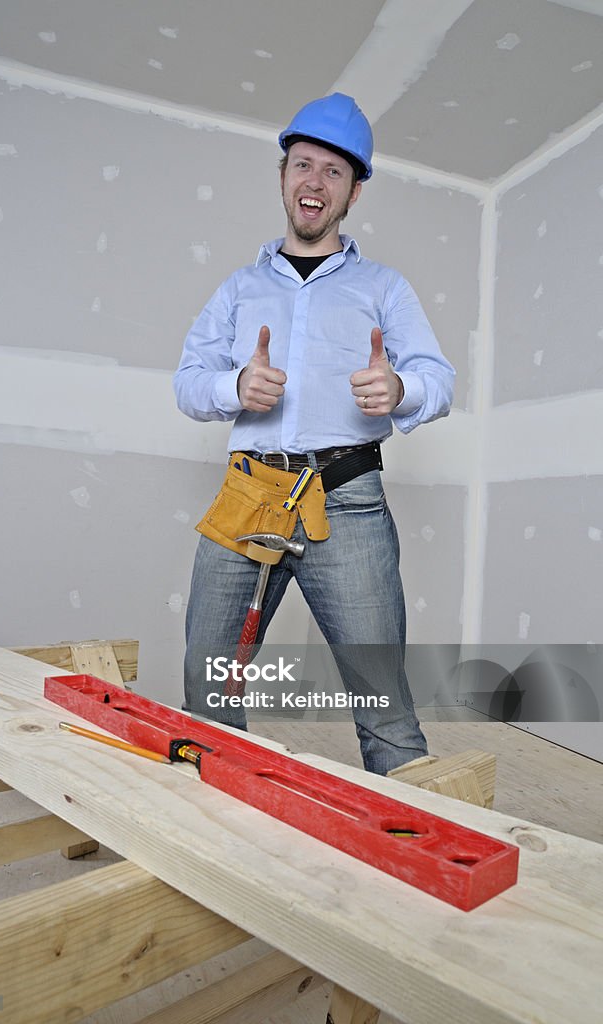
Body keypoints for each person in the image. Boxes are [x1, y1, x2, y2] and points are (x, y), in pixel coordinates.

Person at [173, 93, 455, 774]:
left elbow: (438, 380)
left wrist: (402, 389)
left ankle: (413, 861)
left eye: (334, 172)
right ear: (282, 176)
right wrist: (232, 387)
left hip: (348, 499)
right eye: (304, 165)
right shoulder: (239, 289)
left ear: (354, 191)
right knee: (208, 693)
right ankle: (209, 847)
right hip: (250, 499)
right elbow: (188, 380)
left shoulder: (384, 288)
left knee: (385, 705)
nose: (315, 182)